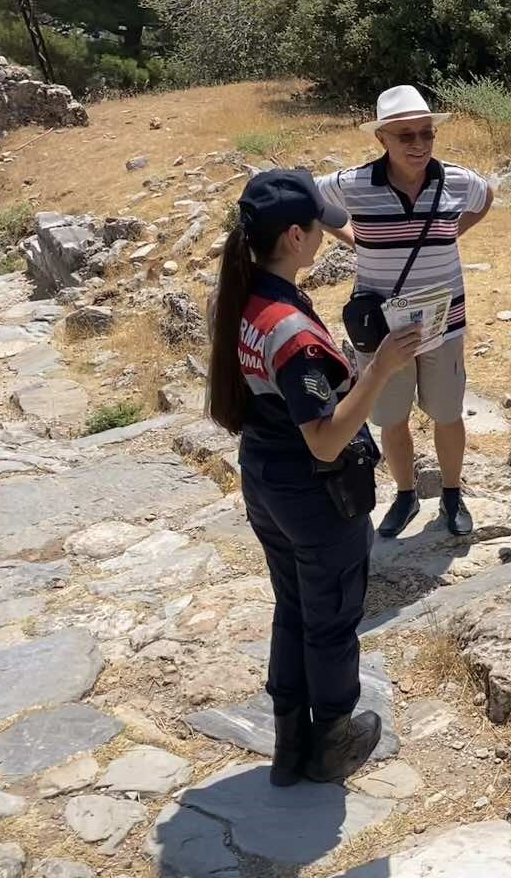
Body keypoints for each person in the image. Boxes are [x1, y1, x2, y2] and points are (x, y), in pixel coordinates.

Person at [207, 169, 423, 786]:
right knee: (330, 616)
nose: (330, 237)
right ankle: (331, 738)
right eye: (322, 228)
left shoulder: (243, 298)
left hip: (264, 477)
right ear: (297, 237)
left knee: (293, 605)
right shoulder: (290, 331)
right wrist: (379, 369)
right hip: (312, 491)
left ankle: (287, 742)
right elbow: (325, 438)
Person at [317, 86, 494, 541]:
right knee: (391, 416)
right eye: (405, 136)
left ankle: (452, 494)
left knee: (447, 412)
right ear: (382, 139)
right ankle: (405, 493)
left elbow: (486, 195)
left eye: (426, 133)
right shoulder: (353, 184)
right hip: (382, 330)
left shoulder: (456, 180)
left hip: (443, 322)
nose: (419, 144)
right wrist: (354, 237)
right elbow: (310, 200)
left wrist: (452, 232)